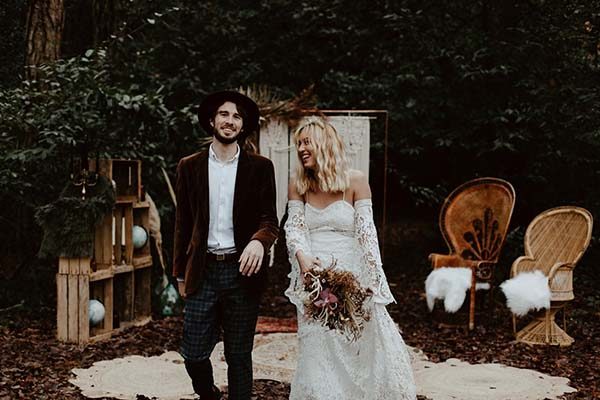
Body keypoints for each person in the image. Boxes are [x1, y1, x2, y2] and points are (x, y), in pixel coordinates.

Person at [284, 117, 416, 400]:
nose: (301, 149)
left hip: (351, 275)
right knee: (317, 342)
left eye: (307, 142)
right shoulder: (298, 183)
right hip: (313, 276)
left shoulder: (355, 181)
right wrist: (303, 260)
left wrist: (374, 279)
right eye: (299, 144)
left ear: (325, 144)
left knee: (352, 343)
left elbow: (367, 234)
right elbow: (294, 227)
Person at [173, 91, 278, 400]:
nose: (230, 121)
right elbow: (181, 224)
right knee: (193, 354)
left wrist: (259, 242)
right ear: (212, 120)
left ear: (243, 126)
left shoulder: (260, 167)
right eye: (224, 114)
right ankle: (209, 394)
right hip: (202, 270)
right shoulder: (189, 166)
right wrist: (179, 273)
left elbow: (270, 220)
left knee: (238, 356)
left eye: (237, 116)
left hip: (242, 272)